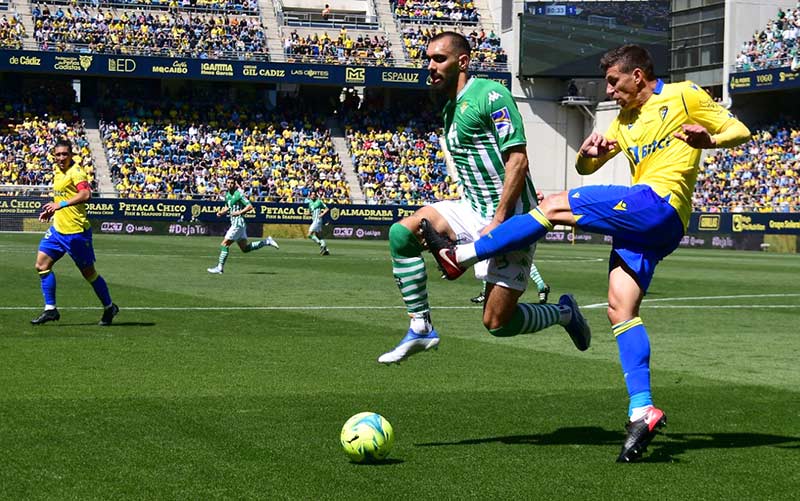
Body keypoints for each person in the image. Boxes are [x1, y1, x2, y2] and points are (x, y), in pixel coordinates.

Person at [425, 44, 752, 462]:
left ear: (638, 76)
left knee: (554, 205)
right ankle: (642, 409)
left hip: (660, 203)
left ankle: (466, 254)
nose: (610, 92)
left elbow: (740, 130)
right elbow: (586, 168)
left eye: (614, 83)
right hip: (648, 227)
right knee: (620, 308)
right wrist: (588, 154)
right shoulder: (624, 121)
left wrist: (712, 139)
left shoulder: (683, 95)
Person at [377, 31, 591, 365]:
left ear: (462, 62)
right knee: (401, 233)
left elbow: (518, 160)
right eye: (428, 59)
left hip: (514, 218)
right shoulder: (450, 109)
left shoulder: (491, 94)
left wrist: (499, 221)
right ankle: (421, 327)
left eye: (439, 59)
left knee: (497, 323)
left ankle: (564, 313)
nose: (430, 66)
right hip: (472, 209)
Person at [32, 138, 119, 326]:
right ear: (54, 156)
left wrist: (59, 205)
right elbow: (62, 196)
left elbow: (85, 195)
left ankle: (109, 307)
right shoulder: (57, 171)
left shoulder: (76, 171)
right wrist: (52, 210)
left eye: (65, 154)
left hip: (76, 233)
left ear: (71, 154)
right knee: (41, 265)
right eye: (58, 154)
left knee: (89, 274)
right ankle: (51, 310)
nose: (62, 157)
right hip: (57, 230)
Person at [471, 190, 550, 304]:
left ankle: (485, 291)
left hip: (514, 222)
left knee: (492, 254)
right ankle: (541, 285)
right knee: (512, 257)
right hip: (516, 220)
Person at [207, 177, 279, 274]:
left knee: (224, 244)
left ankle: (220, 267)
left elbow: (250, 206)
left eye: (232, 183)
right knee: (245, 249)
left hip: (238, 223)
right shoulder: (228, 195)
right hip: (237, 224)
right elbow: (228, 207)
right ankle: (266, 242)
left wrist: (239, 212)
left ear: (235, 184)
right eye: (228, 183)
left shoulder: (239, 194)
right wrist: (221, 212)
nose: (230, 184)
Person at [306, 190, 330, 255]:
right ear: (310, 196)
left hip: (318, 220)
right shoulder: (310, 203)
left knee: (309, 234)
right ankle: (326, 250)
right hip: (315, 220)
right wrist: (307, 214)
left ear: (316, 195)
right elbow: (311, 212)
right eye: (312, 194)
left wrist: (322, 214)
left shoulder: (319, 201)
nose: (313, 196)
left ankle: (322, 245)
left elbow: (327, 209)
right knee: (318, 235)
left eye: (314, 195)